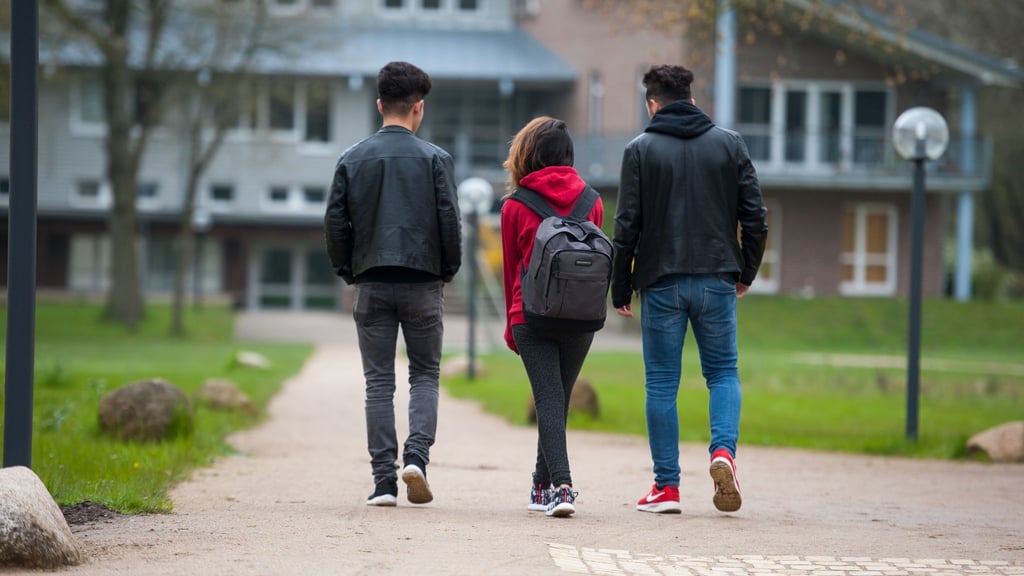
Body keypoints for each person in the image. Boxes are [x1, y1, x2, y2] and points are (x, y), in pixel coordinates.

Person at [611, 64, 767, 514]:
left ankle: (667, 488)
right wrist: (746, 272)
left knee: (661, 382)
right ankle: (723, 453)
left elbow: (627, 227)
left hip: (661, 282)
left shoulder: (639, 149)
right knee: (722, 373)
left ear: (652, 104)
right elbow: (755, 216)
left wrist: (620, 287)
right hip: (718, 279)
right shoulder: (729, 144)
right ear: (693, 100)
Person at [325, 61, 462, 507]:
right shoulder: (437, 160)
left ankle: (383, 482)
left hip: (373, 282)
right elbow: (449, 224)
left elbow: (335, 225)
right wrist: (447, 270)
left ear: (379, 104)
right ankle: (416, 459)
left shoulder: (351, 158)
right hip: (423, 282)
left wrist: (350, 270)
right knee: (425, 375)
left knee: (378, 383)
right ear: (418, 108)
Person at [500, 117, 604, 518]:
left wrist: (512, 327)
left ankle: (562, 486)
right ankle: (539, 486)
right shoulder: (592, 200)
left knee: (549, 397)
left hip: (533, 316)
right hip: (581, 316)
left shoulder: (514, 205)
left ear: (527, 154)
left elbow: (512, 272)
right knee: (555, 398)